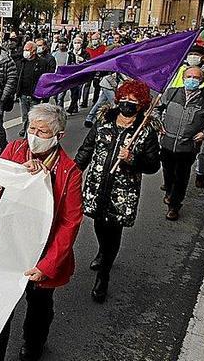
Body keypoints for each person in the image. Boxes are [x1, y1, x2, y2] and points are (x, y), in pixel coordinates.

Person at [0, 104, 82, 361]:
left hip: (42, 253)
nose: (35, 136)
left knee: (39, 305)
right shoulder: (14, 150)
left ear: (58, 136)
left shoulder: (69, 172)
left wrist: (47, 265)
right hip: (8, 248)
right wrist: (20, 174)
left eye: (43, 131)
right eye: (32, 129)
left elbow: (70, 222)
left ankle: (33, 344)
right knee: (0, 308)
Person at [74, 79, 160, 303]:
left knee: (113, 230)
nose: (127, 103)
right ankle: (103, 251)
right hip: (97, 185)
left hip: (122, 192)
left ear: (141, 104)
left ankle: (104, 275)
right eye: (124, 98)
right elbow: (87, 149)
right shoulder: (104, 121)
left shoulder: (145, 131)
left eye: (133, 100)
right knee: (98, 224)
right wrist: (73, 171)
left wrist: (133, 159)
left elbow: (153, 165)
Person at [157, 66, 204, 220]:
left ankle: (174, 206)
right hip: (167, 142)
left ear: (201, 80)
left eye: (196, 78)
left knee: (181, 177)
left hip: (188, 146)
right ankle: (169, 191)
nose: (192, 80)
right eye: (189, 77)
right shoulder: (172, 93)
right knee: (168, 172)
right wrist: (158, 124)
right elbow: (156, 109)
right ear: (183, 78)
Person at [168, 45, 204, 189]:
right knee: (172, 154)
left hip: (200, 117)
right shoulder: (180, 70)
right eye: (190, 54)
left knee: (201, 151)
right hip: (178, 115)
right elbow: (169, 91)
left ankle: (199, 173)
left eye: (196, 54)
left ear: (202, 57)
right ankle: (171, 181)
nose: (193, 57)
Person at [16, 41, 47, 137]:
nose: (25, 52)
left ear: (33, 51)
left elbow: (44, 79)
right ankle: (26, 131)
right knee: (25, 116)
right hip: (23, 94)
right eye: (24, 50)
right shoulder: (21, 62)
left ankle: (28, 136)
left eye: (27, 50)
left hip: (35, 95)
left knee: (33, 117)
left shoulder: (42, 63)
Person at [81, 33, 108, 107]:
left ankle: (95, 101)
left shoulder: (103, 48)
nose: (94, 41)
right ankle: (84, 102)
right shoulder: (88, 49)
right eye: (93, 39)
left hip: (98, 69)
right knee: (87, 85)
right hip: (89, 69)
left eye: (96, 39)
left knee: (97, 85)